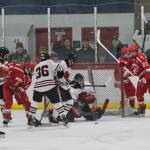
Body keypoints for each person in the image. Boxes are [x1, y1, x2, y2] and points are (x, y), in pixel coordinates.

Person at [27, 51, 76, 126]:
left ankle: (30, 118)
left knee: (34, 103)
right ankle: (63, 117)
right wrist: (58, 76)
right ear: (48, 57)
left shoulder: (37, 66)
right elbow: (59, 68)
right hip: (49, 85)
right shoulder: (49, 62)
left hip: (38, 87)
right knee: (56, 103)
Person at [0, 60, 35, 125]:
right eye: (31, 69)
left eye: (32, 70)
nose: (31, 71)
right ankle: (7, 117)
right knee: (8, 100)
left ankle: (30, 116)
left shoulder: (29, 79)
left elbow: (24, 88)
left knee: (25, 100)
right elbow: (6, 66)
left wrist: (18, 94)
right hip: (8, 86)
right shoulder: (17, 67)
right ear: (27, 67)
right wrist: (5, 72)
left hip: (17, 89)